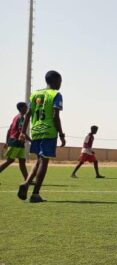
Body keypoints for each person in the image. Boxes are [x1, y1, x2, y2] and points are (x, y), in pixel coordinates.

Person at [17, 71, 67, 203]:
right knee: (44, 162)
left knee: (38, 160)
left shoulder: (35, 94)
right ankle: (35, 194)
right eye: (60, 81)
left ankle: (27, 183)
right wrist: (61, 134)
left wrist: (23, 132)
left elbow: (28, 114)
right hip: (49, 131)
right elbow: (56, 116)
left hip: (36, 131)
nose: (61, 84)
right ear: (56, 81)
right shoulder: (56, 94)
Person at [0, 102, 29, 181]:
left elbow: (9, 130)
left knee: (22, 161)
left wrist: (6, 142)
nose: (27, 109)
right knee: (10, 160)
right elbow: (21, 131)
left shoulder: (16, 117)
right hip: (15, 141)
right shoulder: (21, 118)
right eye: (25, 107)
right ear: (21, 108)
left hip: (19, 143)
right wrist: (30, 140)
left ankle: (27, 179)